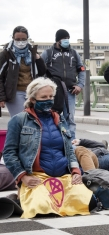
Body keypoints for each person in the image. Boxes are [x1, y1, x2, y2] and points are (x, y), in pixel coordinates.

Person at [2, 78, 93, 218]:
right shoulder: (19, 120)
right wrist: (23, 177)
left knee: (89, 202)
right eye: (43, 97)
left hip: (63, 175)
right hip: (36, 177)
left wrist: (75, 172)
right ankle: (20, 196)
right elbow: (9, 153)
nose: (49, 100)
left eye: (51, 96)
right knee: (42, 208)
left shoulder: (60, 119)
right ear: (32, 99)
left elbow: (69, 149)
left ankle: (22, 199)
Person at [41, 29, 85, 139]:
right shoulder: (48, 53)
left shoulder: (74, 53)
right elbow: (39, 69)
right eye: (64, 39)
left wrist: (80, 85)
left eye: (67, 38)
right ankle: (52, 140)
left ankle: (71, 143)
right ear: (57, 40)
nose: (66, 41)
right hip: (53, 92)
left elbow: (81, 69)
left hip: (70, 91)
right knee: (51, 116)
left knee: (69, 118)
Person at [0, 26, 46, 117]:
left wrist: (38, 59)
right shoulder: (6, 54)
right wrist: (1, 97)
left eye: (23, 39)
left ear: (27, 39)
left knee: (33, 121)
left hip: (32, 92)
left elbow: (42, 72)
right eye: (17, 39)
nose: (20, 42)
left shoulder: (31, 52)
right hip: (15, 93)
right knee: (21, 120)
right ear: (13, 38)